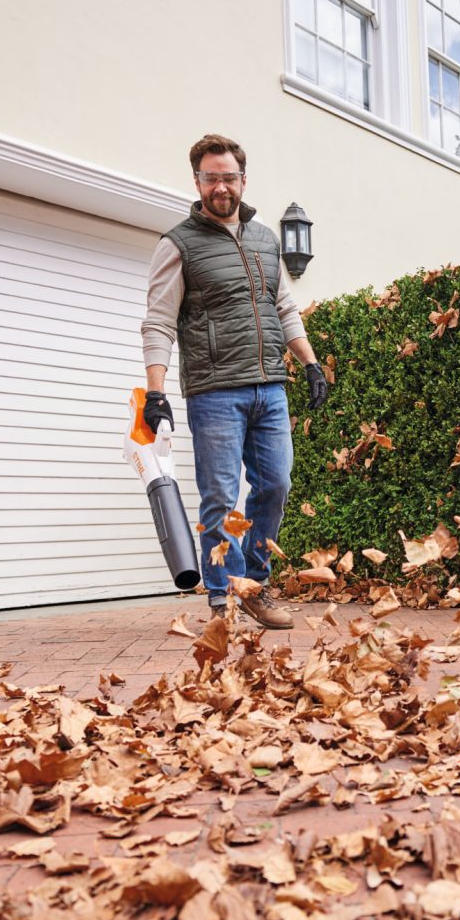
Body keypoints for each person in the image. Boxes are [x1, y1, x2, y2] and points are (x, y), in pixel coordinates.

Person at [140, 134, 328, 629]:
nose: (220, 186)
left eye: (228, 177)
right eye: (210, 177)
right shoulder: (178, 244)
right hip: (216, 390)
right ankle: (223, 597)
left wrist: (309, 362)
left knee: (276, 484)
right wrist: (155, 391)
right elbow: (159, 321)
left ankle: (255, 584)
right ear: (197, 182)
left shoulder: (265, 238)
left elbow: (283, 306)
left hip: (270, 386)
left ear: (244, 180)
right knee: (221, 496)